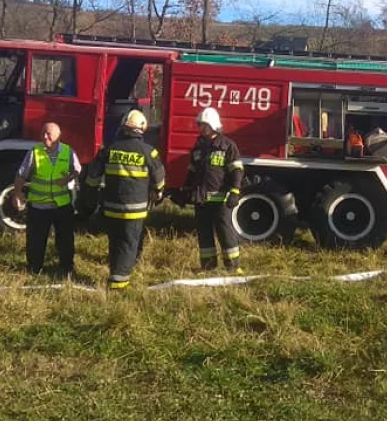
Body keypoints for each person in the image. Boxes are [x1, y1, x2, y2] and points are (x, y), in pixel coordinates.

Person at [84, 110, 165, 290]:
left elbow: (93, 175)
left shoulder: (109, 149)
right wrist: (158, 192)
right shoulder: (148, 152)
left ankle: (115, 271)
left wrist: (91, 194)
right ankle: (119, 283)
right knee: (129, 243)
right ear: (142, 129)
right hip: (135, 209)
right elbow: (159, 177)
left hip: (111, 207)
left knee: (115, 241)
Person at [179, 107, 245, 274]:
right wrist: (186, 188)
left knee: (225, 232)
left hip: (221, 200)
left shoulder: (227, 146)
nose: (201, 128)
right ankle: (207, 266)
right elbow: (192, 170)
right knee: (204, 234)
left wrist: (235, 191)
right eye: (200, 125)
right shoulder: (199, 147)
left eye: (204, 125)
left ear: (213, 125)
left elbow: (237, 170)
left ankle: (233, 266)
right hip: (201, 199)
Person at [12, 122, 81, 277]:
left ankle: (66, 269)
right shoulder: (35, 152)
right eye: (43, 133)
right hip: (39, 206)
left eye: (48, 134)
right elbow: (22, 174)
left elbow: (77, 170)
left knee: (65, 241)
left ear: (58, 136)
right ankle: (34, 269)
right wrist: (17, 193)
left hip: (61, 206)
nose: (44, 137)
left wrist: (68, 178)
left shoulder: (68, 152)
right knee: (36, 241)